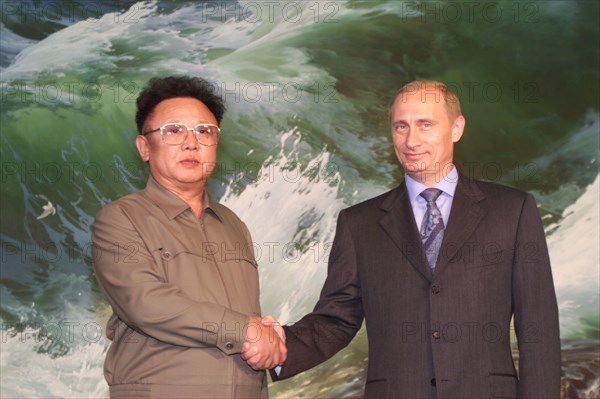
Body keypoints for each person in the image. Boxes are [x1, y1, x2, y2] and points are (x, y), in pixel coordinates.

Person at [244, 80, 561, 398]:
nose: (411, 140)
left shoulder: (513, 211)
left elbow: (539, 328)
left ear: (456, 128)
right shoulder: (359, 224)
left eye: (425, 124)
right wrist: (280, 346)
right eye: (401, 126)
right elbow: (336, 319)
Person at [92, 76, 286, 399]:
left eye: (204, 131)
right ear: (144, 147)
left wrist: (267, 338)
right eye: (173, 130)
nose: (191, 142)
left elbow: (247, 320)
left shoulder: (234, 225)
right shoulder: (119, 220)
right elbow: (147, 304)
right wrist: (246, 330)